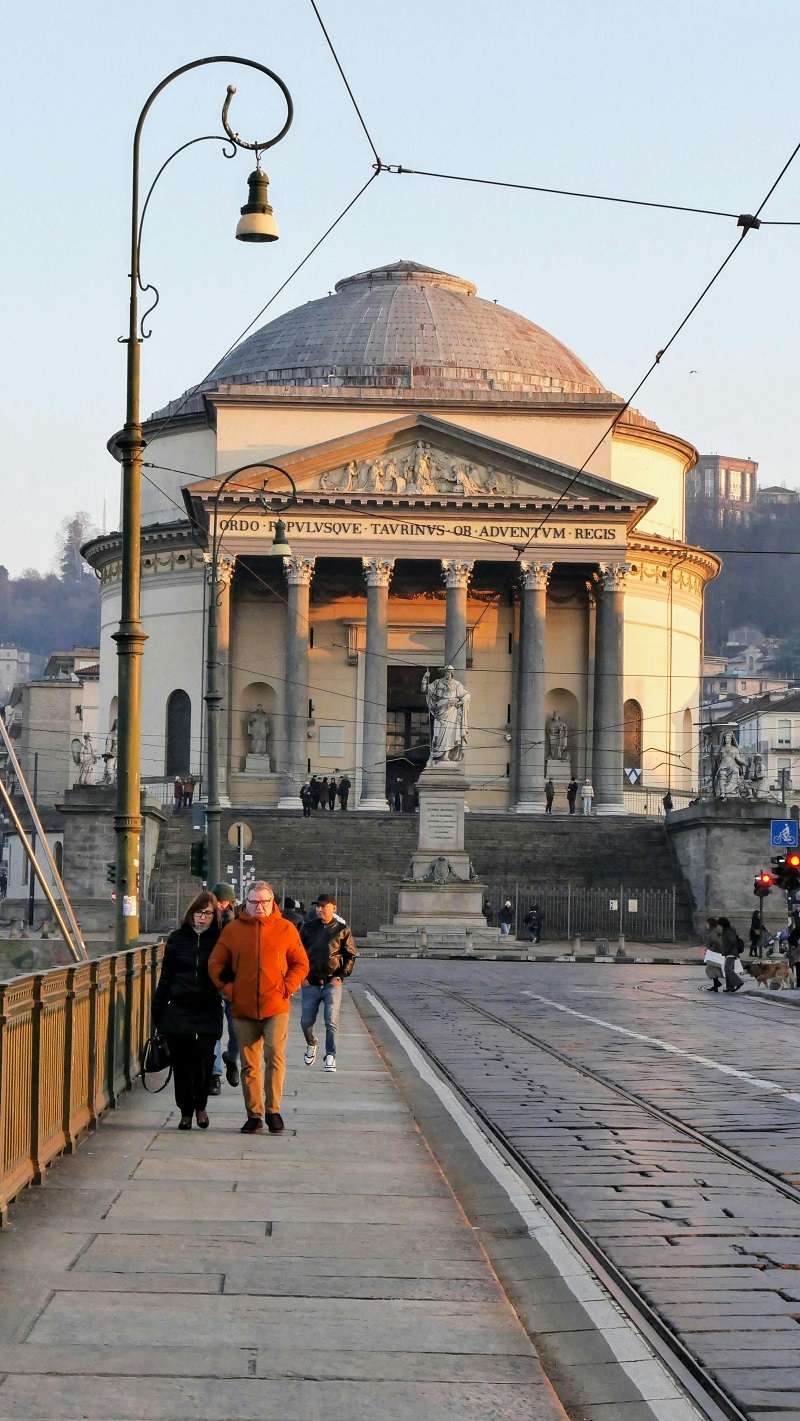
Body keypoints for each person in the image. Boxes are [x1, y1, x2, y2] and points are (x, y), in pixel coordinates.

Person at [208, 880, 308, 1134]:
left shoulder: (286, 929)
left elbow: (300, 963)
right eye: (254, 902)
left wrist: (289, 986)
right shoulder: (232, 930)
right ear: (246, 903)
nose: (260, 906)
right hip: (243, 1008)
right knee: (249, 1064)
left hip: (276, 1005)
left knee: (275, 1056)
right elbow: (215, 964)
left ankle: (273, 1110)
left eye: (264, 902)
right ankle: (254, 1114)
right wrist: (229, 991)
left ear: (271, 902)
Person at [152, 891, 222, 1129]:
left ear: (215, 916)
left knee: (204, 1061)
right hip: (179, 1008)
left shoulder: (220, 940)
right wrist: (158, 1012)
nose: (202, 918)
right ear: (191, 914)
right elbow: (166, 977)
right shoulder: (177, 938)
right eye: (198, 913)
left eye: (207, 914)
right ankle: (185, 1110)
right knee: (181, 1063)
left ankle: (200, 1106)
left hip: (208, 1008)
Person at [300, 893, 357, 1071]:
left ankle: (330, 1055)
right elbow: (298, 952)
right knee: (305, 1022)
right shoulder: (307, 928)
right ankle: (311, 1043)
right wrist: (301, 976)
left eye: (324, 906)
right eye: (318, 906)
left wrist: (341, 976)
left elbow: (350, 955)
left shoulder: (342, 930)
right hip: (311, 982)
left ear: (334, 908)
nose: (320, 909)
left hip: (332, 982)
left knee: (331, 1021)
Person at [210, 883, 240, 1089]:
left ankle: (231, 1057)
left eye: (225, 902)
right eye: (218, 901)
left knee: (237, 1030)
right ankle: (215, 1074)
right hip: (211, 983)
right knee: (213, 1031)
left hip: (233, 984)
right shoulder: (204, 919)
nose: (221, 905)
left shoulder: (238, 924)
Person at [718, 916, 744, 992]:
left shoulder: (728, 931)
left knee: (727, 969)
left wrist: (726, 950)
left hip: (731, 952)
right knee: (727, 970)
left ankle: (738, 982)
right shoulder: (727, 930)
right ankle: (730, 987)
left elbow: (732, 941)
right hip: (729, 952)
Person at [703, 916, 724, 992]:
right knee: (714, 969)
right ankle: (716, 984)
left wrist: (711, 949)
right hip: (715, 953)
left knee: (711, 969)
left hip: (714, 953)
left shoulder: (714, 932)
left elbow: (716, 942)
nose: (706, 925)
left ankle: (717, 983)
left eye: (707, 923)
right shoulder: (714, 931)